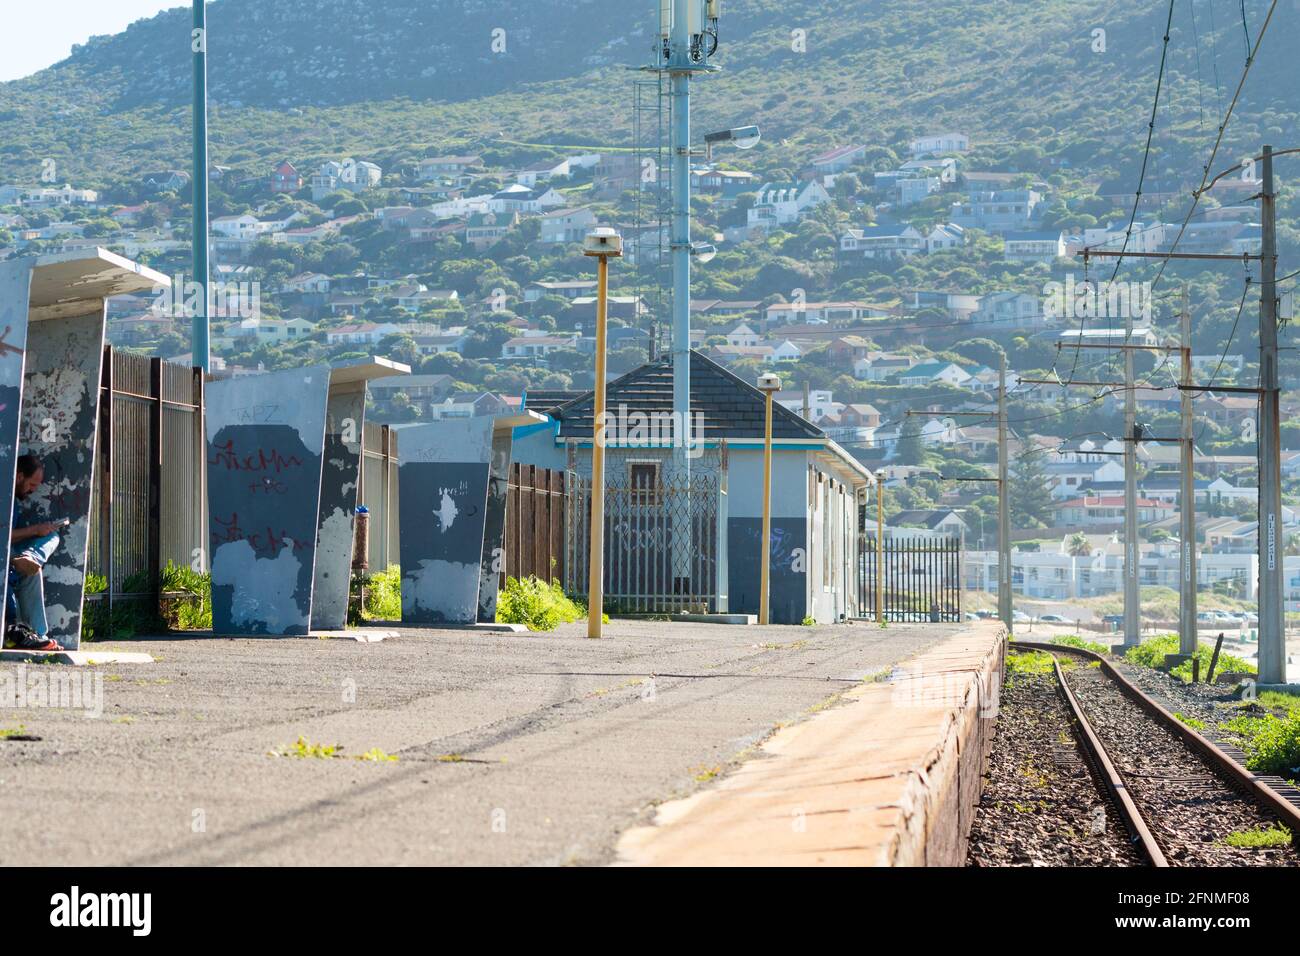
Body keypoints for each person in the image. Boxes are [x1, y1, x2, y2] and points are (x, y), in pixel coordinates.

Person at [7, 455, 65, 651]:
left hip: (11, 554)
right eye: (32, 484)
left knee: (51, 539)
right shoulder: (3, 496)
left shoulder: (14, 501)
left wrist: (40, 532)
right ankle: (27, 558)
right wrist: (34, 530)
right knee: (30, 570)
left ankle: (39, 635)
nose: (33, 490)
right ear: (19, 476)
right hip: (5, 554)